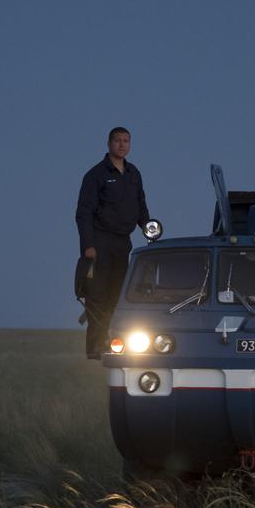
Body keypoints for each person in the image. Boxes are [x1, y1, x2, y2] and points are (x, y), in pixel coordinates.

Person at [75, 127, 151, 358]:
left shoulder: (134, 173)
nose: (122, 144)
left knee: (118, 295)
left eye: (126, 141)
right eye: (117, 140)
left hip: (123, 243)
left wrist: (149, 230)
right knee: (97, 295)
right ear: (109, 144)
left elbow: (141, 206)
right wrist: (88, 245)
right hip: (100, 243)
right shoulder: (95, 175)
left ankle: (114, 343)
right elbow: (83, 213)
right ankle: (96, 347)